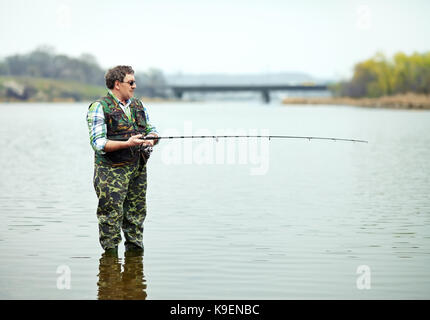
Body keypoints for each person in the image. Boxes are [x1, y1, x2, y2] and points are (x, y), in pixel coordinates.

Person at [86, 65, 158, 255]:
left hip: (137, 171)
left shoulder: (138, 105)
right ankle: (110, 268)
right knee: (110, 219)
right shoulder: (99, 107)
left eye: (135, 82)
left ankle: (134, 273)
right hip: (111, 173)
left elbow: (151, 129)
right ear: (117, 84)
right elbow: (98, 143)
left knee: (136, 218)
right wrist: (128, 143)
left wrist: (152, 138)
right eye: (131, 82)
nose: (134, 86)